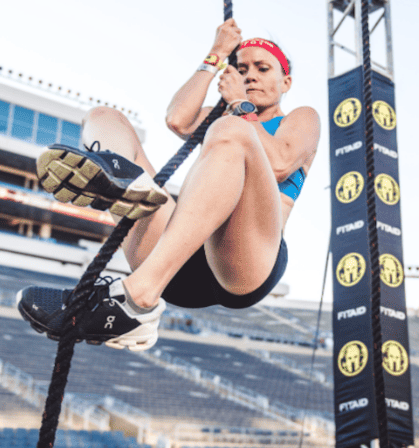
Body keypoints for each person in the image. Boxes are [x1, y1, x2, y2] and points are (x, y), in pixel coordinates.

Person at [17, 19, 320, 351]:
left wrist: (238, 106)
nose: (250, 76)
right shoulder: (228, 115)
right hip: (180, 261)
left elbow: (279, 162)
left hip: (246, 261)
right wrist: (216, 54)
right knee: (103, 117)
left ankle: (137, 300)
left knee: (228, 130)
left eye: (262, 68)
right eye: (242, 67)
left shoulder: (300, 118)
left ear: (285, 81)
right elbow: (178, 118)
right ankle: (122, 184)